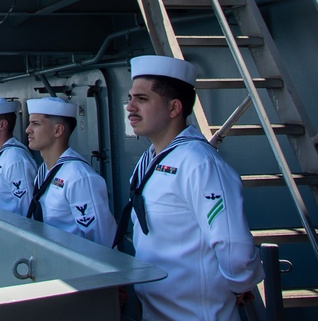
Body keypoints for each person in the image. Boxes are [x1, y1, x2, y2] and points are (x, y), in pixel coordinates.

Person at [118, 55, 262, 320]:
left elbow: (233, 243)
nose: (130, 107)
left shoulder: (199, 163)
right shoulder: (150, 158)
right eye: (130, 98)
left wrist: (240, 284)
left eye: (142, 98)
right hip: (156, 309)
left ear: (174, 108)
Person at [25, 97, 116, 247]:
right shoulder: (45, 171)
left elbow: (102, 238)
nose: (28, 129)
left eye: (36, 123)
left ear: (58, 130)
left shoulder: (79, 177)